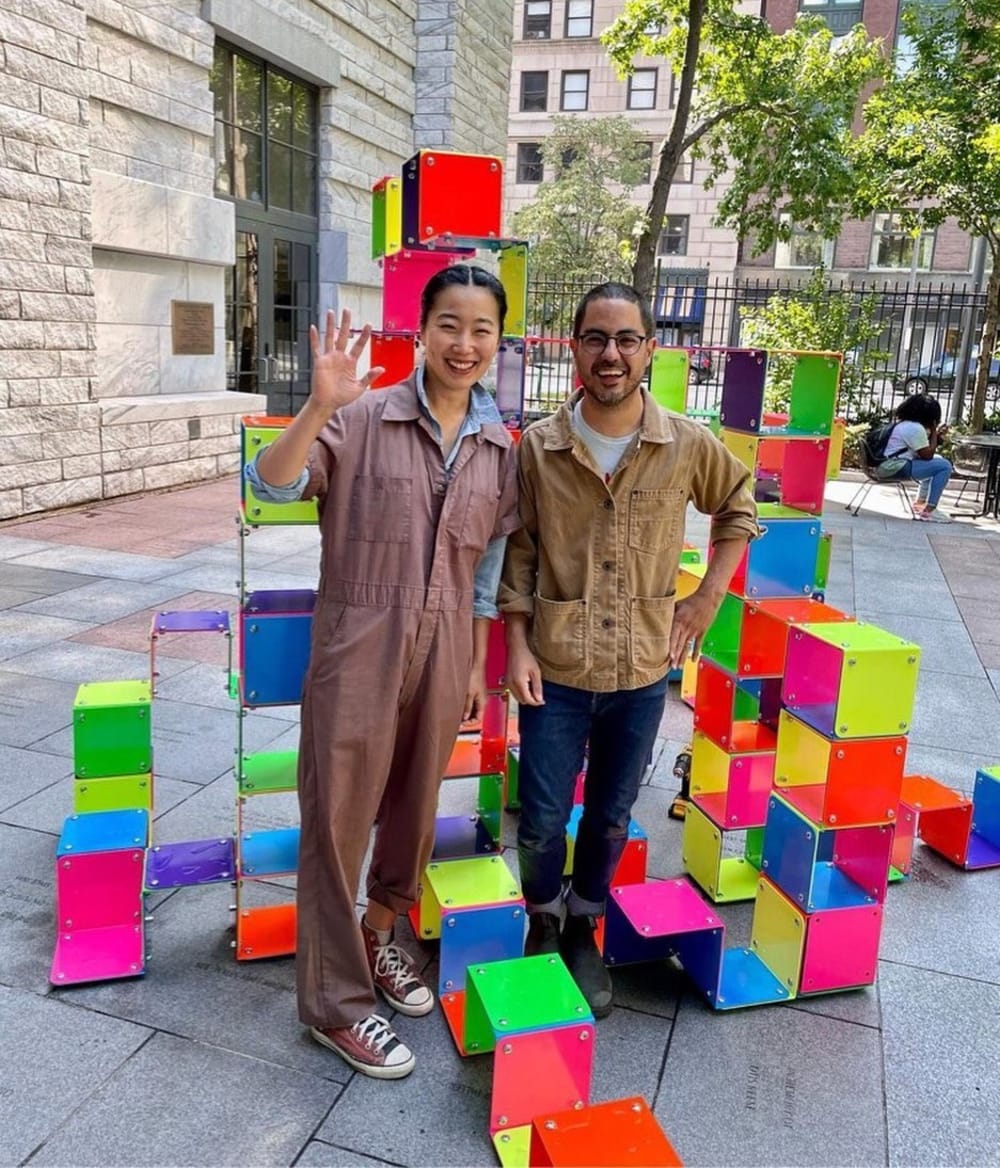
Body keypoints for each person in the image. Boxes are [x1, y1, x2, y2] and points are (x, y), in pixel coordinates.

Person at [246, 264, 519, 1079]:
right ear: (421, 331)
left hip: (443, 653)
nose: (464, 343)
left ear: (499, 341)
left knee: (414, 808)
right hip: (360, 640)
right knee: (336, 820)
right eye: (449, 325)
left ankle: (379, 931)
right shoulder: (360, 418)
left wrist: (474, 662)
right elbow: (274, 481)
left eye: (481, 329)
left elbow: (484, 570)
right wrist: (319, 405)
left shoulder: (498, 448)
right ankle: (336, 1007)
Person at [499, 282, 758, 1018]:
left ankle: (586, 922)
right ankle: (542, 918)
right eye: (595, 339)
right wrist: (515, 642)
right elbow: (520, 553)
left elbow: (739, 508)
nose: (610, 354)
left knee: (611, 815)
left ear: (649, 349)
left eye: (625, 340)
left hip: (643, 668)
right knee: (544, 817)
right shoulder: (540, 448)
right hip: (556, 665)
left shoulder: (685, 444)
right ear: (574, 347)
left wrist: (707, 596)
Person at [882, 393, 953, 521]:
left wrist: (934, 435)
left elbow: (925, 453)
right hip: (894, 468)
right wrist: (934, 430)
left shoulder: (905, 424)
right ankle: (930, 510)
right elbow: (927, 455)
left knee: (938, 461)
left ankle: (920, 503)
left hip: (888, 465)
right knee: (944, 466)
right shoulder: (915, 428)